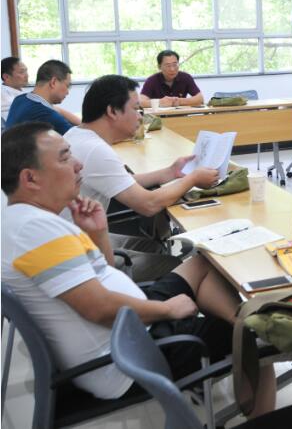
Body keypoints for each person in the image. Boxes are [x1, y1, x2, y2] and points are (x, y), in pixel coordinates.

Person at [0, 122, 276, 415]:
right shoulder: (35, 230)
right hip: (130, 355)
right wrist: (167, 310)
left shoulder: (26, 219)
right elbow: (98, 308)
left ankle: (235, 325)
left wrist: (97, 233)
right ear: (30, 178)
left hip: (129, 327)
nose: (78, 165)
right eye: (65, 157)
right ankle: (243, 341)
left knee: (203, 264)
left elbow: (104, 276)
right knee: (256, 338)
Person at [64, 75, 219, 222]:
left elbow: (122, 180)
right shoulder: (96, 150)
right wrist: (193, 179)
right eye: (135, 109)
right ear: (112, 111)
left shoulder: (77, 134)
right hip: (78, 239)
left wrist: (171, 172)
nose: (140, 117)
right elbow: (149, 204)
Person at [6, 59, 77, 135]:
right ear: (53, 82)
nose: (67, 92)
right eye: (67, 86)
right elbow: (77, 137)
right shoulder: (45, 114)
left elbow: (56, 109)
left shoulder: (20, 99)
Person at [139, 50, 203, 108]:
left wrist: (179, 101)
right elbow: (141, 102)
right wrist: (160, 102)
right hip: (159, 116)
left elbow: (200, 99)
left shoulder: (186, 77)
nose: (172, 69)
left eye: (175, 65)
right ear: (159, 67)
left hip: (181, 115)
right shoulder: (152, 80)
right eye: (168, 65)